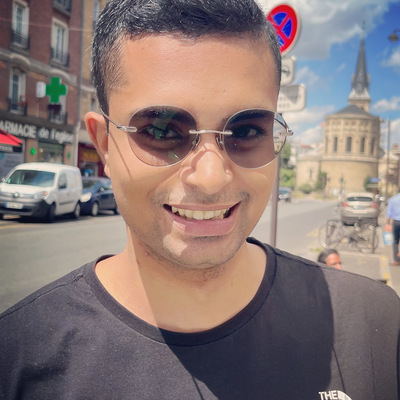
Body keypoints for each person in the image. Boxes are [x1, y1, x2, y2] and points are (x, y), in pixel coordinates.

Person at [1, 1, 399, 399]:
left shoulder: (374, 323)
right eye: (161, 131)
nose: (210, 178)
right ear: (104, 144)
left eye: (246, 131)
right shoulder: (18, 357)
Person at [386, 191, 400, 265]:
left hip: (396, 222)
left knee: (395, 241)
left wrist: (388, 224)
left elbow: (389, 213)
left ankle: (396, 260)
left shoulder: (392, 199)